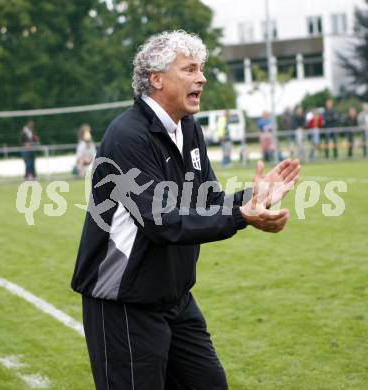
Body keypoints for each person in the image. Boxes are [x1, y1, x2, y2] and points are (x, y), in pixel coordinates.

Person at [71, 30, 300, 390]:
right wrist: (241, 216)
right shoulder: (126, 136)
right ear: (156, 79)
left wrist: (250, 198)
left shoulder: (189, 129)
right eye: (190, 69)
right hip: (123, 305)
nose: (202, 78)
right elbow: (161, 222)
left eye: (201, 69)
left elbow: (206, 203)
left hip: (175, 299)